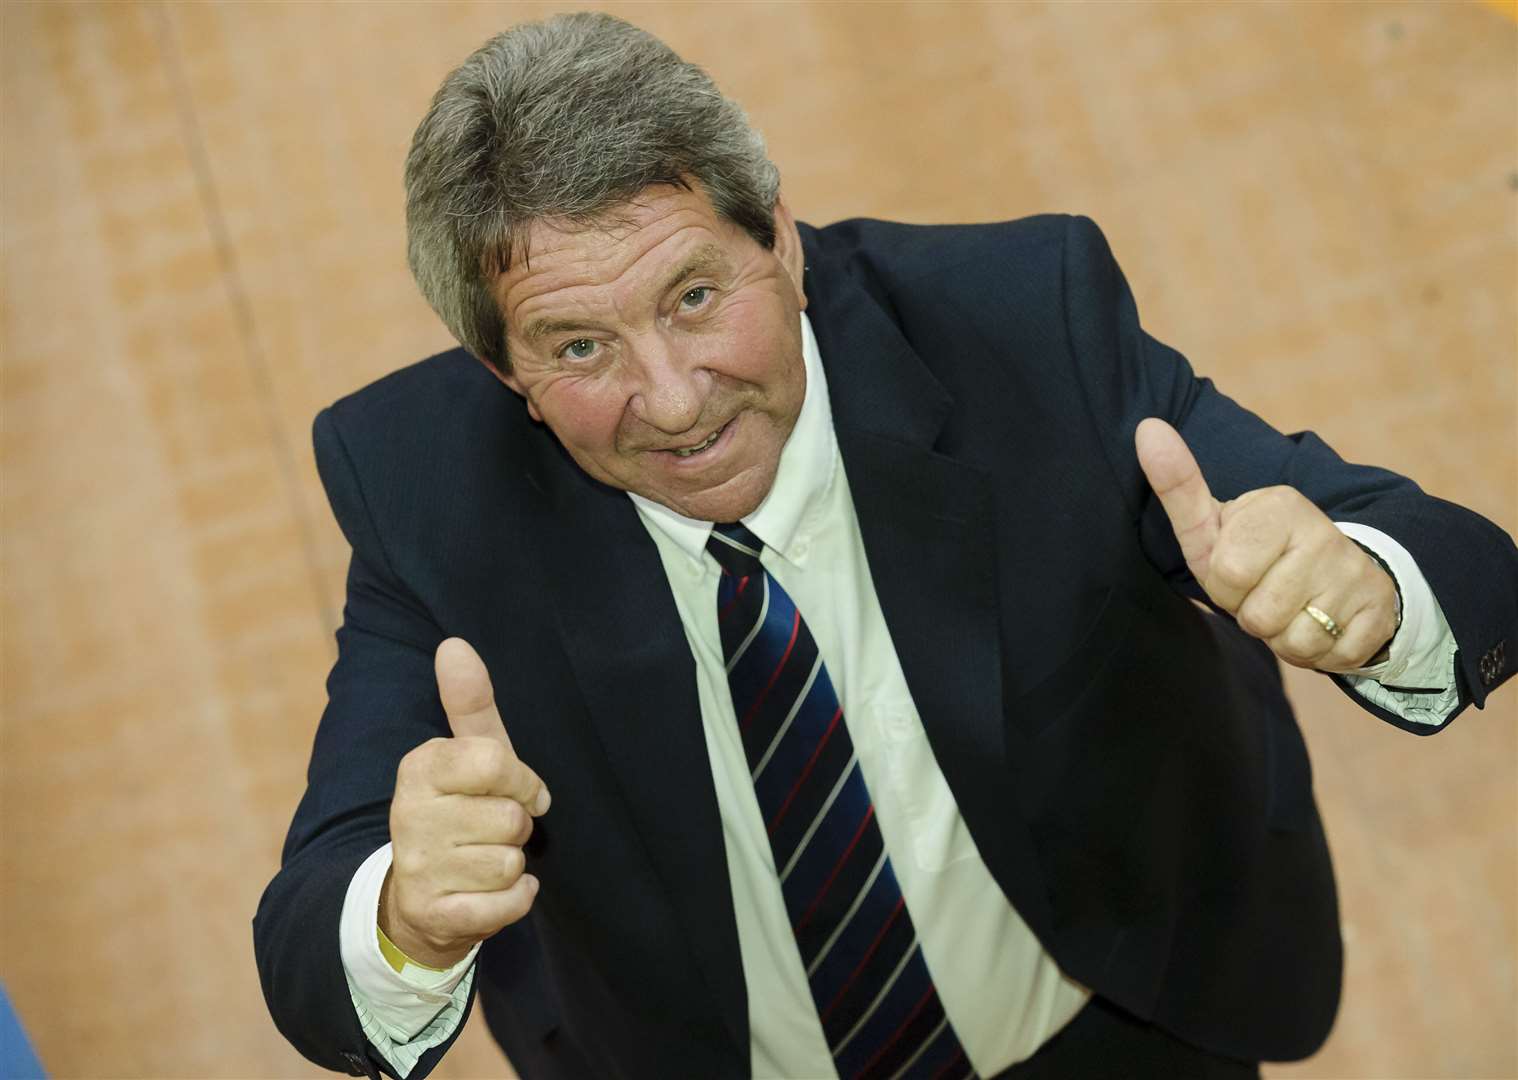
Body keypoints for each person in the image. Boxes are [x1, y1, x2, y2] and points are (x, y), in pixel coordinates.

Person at [253, 12, 1515, 1080]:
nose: (677, 399)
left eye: (696, 296)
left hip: (1121, 1019)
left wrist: (1368, 590)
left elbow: (1448, 557)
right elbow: (313, 927)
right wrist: (409, 918)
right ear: (501, 370)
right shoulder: (429, 492)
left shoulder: (1024, 327)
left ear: (782, 242)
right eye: (580, 347)